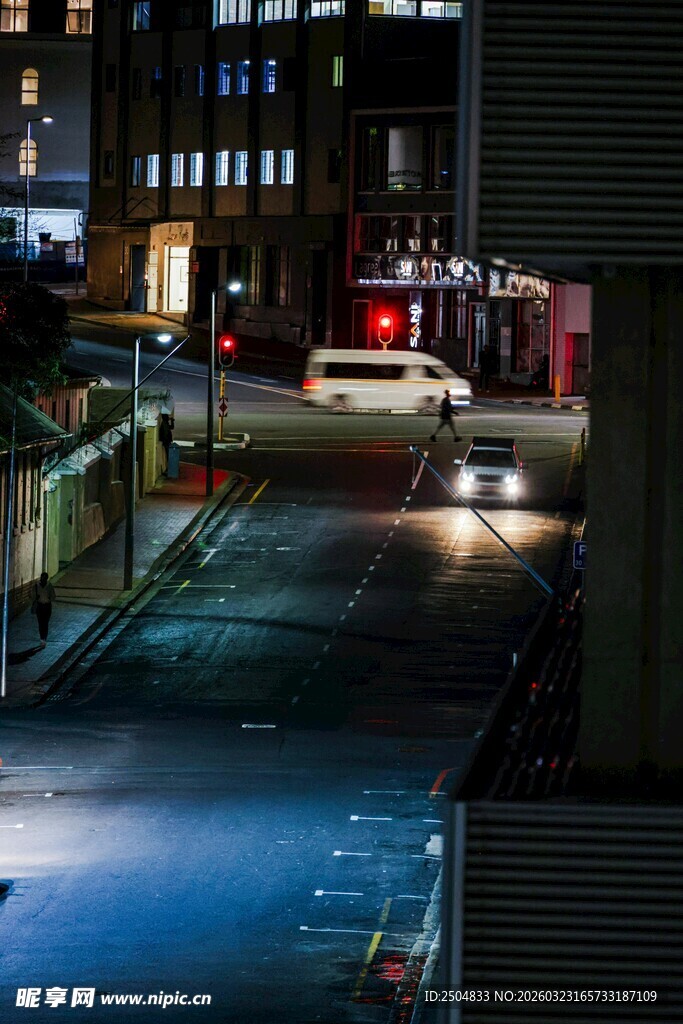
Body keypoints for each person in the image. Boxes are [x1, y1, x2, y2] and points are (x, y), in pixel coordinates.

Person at [33, 572, 56, 648]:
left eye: (45, 579)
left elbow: (53, 596)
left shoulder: (49, 586)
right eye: (42, 578)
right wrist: (36, 597)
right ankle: (42, 638)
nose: (43, 580)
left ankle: (44, 639)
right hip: (39, 606)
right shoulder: (36, 586)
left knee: (45, 623)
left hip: (47, 606)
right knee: (40, 623)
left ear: (46, 579)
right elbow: (32, 595)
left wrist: (50, 597)